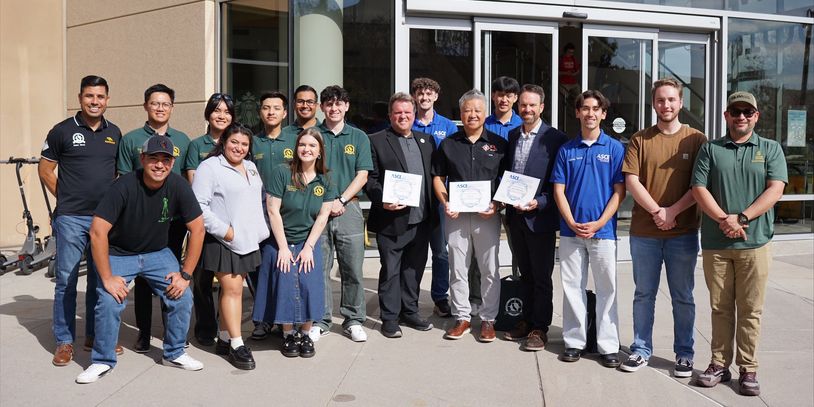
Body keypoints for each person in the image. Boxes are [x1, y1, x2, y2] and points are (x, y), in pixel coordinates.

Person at [76, 136, 205, 384]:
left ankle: (175, 352)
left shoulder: (178, 185)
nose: (159, 165)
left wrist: (185, 275)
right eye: (154, 158)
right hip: (120, 253)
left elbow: (198, 229)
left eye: (165, 160)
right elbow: (97, 231)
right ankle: (102, 360)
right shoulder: (123, 186)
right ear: (142, 159)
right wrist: (107, 278)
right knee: (109, 300)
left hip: (158, 252)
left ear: (172, 162)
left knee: (182, 295)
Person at [692, 91, 787, 396]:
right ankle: (719, 363)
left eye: (748, 111)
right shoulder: (711, 149)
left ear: (756, 116)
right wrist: (724, 220)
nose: (741, 116)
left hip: (755, 244)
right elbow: (698, 188)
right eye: (736, 111)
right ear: (726, 115)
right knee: (720, 307)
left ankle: (748, 368)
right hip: (717, 245)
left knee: (750, 309)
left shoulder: (770, 149)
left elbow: (775, 190)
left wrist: (742, 218)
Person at [619, 78, 707, 376]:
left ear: (681, 103)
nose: (666, 105)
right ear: (653, 103)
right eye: (660, 100)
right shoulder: (640, 139)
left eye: (671, 100)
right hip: (644, 233)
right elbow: (632, 180)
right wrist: (659, 211)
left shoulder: (696, 140)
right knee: (644, 294)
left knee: (683, 296)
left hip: (682, 234)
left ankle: (684, 353)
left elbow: (700, 185)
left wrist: (673, 213)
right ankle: (641, 349)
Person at [39, 75, 124, 366]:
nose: (95, 101)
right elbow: (46, 170)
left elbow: (117, 173)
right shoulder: (61, 131)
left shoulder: (115, 132)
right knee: (66, 279)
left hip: (103, 220)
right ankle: (64, 341)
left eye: (100, 97)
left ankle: (95, 336)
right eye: (90, 96)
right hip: (71, 218)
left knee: (101, 279)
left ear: (107, 100)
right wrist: (65, 200)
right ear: (80, 98)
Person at [551, 90, 625, 367]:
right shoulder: (566, 150)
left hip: (603, 232)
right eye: (585, 108)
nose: (590, 113)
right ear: (577, 112)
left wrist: (600, 222)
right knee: (572, 288)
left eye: (596, 109)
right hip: (571, 232)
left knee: (607, 289)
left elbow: (620, 191)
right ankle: (574, 342)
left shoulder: (615, 148)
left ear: (603, 114)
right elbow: (559, 190)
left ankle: (608, 345)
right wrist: (570, 221)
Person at [118, 84, 191, 352]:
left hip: (174, 221)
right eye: (155, 103)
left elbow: (186, 180)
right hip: (141, 222)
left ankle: (174, 332)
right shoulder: (131, 139)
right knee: (144, 279)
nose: (160, 108)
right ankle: (144, 333)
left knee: (171, 276)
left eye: (165, 104)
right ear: (146, 105)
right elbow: (123, 178)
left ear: (172, 107)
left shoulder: (183, 140)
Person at [191, 124, 268, 370]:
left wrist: (258, 231)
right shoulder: (209, 167)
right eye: (234, 142)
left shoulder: (251, 168)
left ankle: (224, 338)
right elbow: (198, 207)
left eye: (244, 144)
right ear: (224, 141)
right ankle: (237, 344)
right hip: (222, 239)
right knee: (233, 290)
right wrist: (227, 231)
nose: (239, 148)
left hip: (247, 240)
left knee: (231, 291)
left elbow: (256, 201)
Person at [433, 89, 507, 343]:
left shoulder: (499, 144)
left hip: (488, 215)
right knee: (458, 267)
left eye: (477, 110)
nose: (472, 115)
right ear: (460, 114)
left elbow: (506, 181)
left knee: (489, 268)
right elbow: (438, 177)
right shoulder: (449, 144)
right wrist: (445, 203)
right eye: (467, 110)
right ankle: (462, 316)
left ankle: (488, 319)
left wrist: (497, 205)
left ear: (485, 113)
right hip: (457, 216)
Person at [501, 84, 568, 351]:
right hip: (515, 217)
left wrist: (538, 202)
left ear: (542, 107)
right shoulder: (513, 135)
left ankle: (540, 328)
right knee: (524, 273)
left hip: (539, 218)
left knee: (541, 276)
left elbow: (559, 185)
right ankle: (526, 320)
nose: (527, 109)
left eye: (532, 105)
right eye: (523, 105)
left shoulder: (556, 139)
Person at [366, 92, 438, 338]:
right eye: (398, 112)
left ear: (415, 115)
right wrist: (382, 198)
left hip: (422, 219)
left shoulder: (426, 140)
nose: (403, 116)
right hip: (392, 219)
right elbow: (371, 179)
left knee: (414, 270)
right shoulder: (375, 140)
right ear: (390, 115)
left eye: (408, 112)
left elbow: (435, 176)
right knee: (391, 270)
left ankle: (410, 310)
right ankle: (389, 317)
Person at [265, 127, 334, 358]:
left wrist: (309, 247)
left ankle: (305, 333)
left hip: (308, 241)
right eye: (302, 145)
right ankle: (287, 334)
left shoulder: (326, 179)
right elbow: (273, 210)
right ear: (296, 148)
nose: (307, 149)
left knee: (309, 285)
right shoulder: (282, 172)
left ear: (320, 151)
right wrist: (283, 248)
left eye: (312, 146)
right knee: (285, 283)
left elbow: (323, 215)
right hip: (281, 239)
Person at [314, 85, 373, 342]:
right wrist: (327, 202)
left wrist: (341, 199)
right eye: (329, 104)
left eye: (339, 104)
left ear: (346, 107)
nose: (334, 108)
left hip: (349, 208)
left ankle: (353, 319)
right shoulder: (312, 134)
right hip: (318, 210)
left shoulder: (358, 136)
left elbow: (363, 174)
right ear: (322, 107)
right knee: (319, 268)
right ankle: (320, 319)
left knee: (352, 268)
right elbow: (306, 171)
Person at [181, 93, 235, 347]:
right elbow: (193, 183)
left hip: (231, 222)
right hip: (203, 220)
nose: (221, 115)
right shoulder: (196, 145)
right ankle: (205, 325)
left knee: (230, 278)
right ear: (208, 114)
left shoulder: (238, 142)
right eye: (216, 110)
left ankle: (227, 326)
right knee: (202, 278)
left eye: (226, 111)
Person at [251, 90, 297, 340]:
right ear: (260, 111)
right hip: (257, 214)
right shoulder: (252, 141)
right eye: (266, 107)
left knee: (284, 266)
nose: (271, 112)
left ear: (285, 112)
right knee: (259, 268)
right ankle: (262, 320)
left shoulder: (294, 140)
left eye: (276, 108)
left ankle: (284, 319)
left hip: (287, 214)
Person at [410, 77, 458, 318]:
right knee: (414, 250)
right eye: (420, 93)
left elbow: (455, 160)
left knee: (441, 251)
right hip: (414, 197)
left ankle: (440, 297)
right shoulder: (408, 122)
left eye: (429, 94)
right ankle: (410, 297)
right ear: (415, 96)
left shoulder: (448, 126)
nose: (424, 97)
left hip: (441, 198)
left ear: (436, 97)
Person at [484, 76, 522, 140]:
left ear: (515, 98)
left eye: (508, 96)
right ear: (493, 96)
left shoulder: (522, 125)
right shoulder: (484, 125)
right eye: (500, 95)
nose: (504, 100)